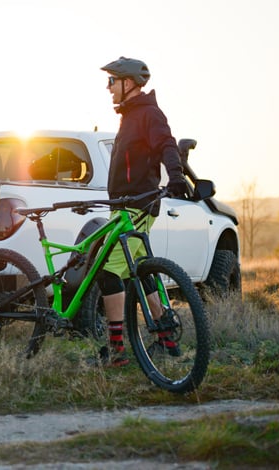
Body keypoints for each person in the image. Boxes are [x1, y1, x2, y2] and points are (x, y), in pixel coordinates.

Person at [98, 56, 188, 366]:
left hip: (136, 206)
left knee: (109, 273)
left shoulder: (149, 114)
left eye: (112, 81)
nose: (108, 87)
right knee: (140, 271)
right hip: (124, 206)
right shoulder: (130, 116)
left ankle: (117, 351)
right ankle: (166, 340)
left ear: (129, 83)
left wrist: (176, 177)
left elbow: (167, 145)